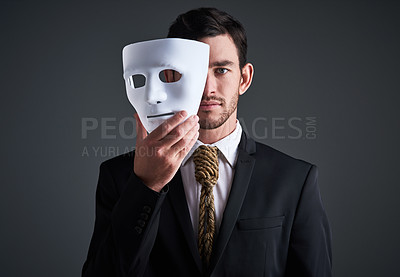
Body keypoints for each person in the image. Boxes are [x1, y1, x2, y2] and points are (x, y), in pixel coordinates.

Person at [82, 7, 332, 277]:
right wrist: (147, 187)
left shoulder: (294, 179)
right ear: (167, 77)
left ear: (244, 79)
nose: (207, 88)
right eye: (192, 73)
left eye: (221, 70)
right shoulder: (121, 177)